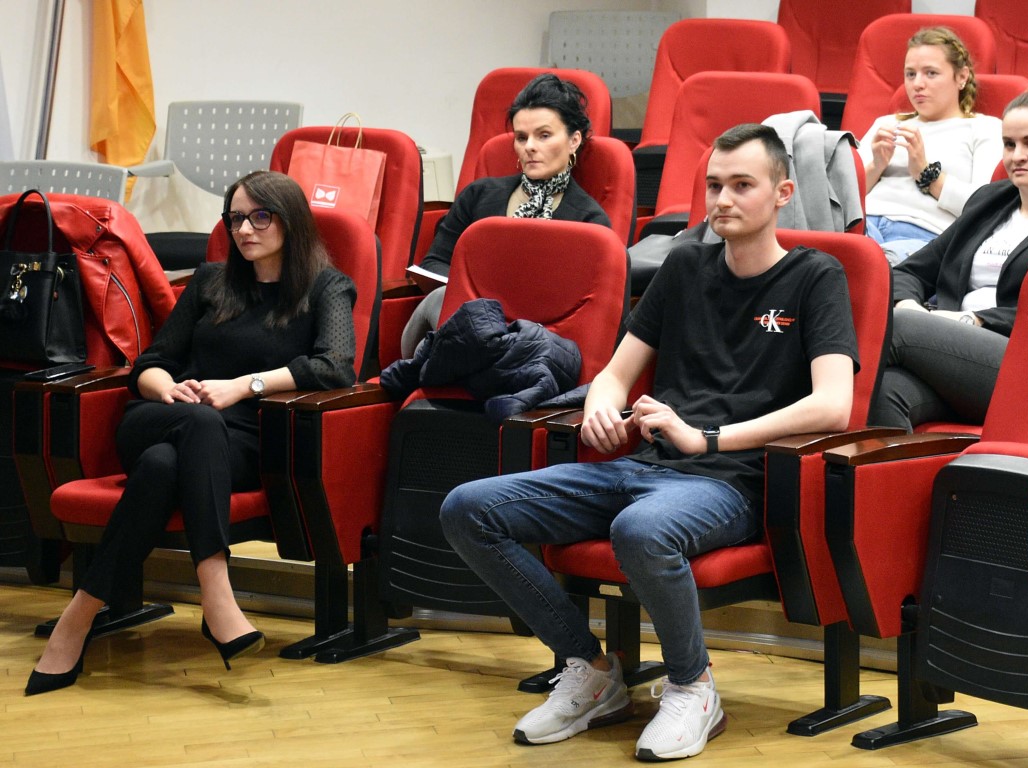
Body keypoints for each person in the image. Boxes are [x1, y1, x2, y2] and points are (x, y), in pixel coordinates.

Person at [439, 124, 859, 761]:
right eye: (714, 184)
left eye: (742, 185)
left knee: (641, 529)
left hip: (732, 482)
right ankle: (589, 669)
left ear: (782, 193)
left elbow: (833, 404)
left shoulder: (815, 276)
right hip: (643, 466)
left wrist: (706, 439)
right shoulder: (685, 265)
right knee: (468, 508)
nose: (723, 199)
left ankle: (693, 687)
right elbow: (615, 374)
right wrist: (600, 411)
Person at [25, 170, 358, 696]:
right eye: (235, 218)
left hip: (243, 442)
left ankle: (78, 617)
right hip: (163, 417)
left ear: (291, 221)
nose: (244, 229)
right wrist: (168, 388)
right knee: (192, 424)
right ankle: (216, 592)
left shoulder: (326, 287)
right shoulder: (210, 281)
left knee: (161, 468)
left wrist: (242, 387)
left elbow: (336, 366)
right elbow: (151, 363)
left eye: (260, 217)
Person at [871, 79, 1028, 431]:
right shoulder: (990, 201)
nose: (1017, 155)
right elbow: (910, 272)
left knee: (894, 329)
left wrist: (973, 321)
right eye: (1009, 144)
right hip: (955, 355)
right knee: (885, 391)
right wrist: (908, 305)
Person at [401, 73, 611, 357]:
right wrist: (478, 298)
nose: (529, 146)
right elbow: (435, 263)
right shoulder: (478, 195)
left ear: (574, 140)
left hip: (534, 341)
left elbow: (580, 309)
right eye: (521, 137)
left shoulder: (589, 221)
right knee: (439, 301)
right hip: (464, 323)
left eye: (544, 135)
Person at [859, 26, 1003, 266]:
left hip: (925, 235)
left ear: (962, 77)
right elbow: (843, 199)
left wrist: (926, 174)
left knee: (874, 266)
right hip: (866, 224)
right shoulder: (885, 124)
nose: (917, 84)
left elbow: (984, 208)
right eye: (910, 74)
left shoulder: (985, 128)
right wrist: (877, 165)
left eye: (931, 73)